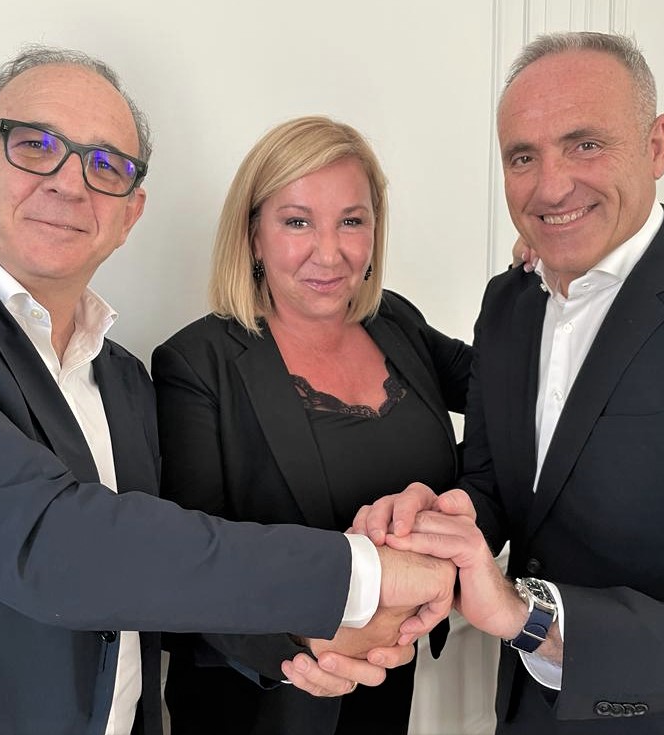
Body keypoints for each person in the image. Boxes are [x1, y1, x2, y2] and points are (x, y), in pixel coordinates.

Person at [0, 47, 458, 735]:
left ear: (131, 213)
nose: (69, 184)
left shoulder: (123, 379)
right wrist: (359, 575)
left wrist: (300, 639)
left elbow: (159, 581)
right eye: (35, 145)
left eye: (105, 165)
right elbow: (54, 541)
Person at [355, 31, 664, 734]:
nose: (550, 186)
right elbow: (496, 482)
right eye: (523, 157)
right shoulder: (508, 304)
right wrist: (447, 518)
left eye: (585, 144)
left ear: (656, 146)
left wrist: (525, 615)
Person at [151, 115, 473, 735]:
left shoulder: (396, 323)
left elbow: (511, 390)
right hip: (264, 698)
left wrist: (539, 281)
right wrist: (300, 649)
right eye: (297, 222)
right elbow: (189, 561)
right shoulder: (196, 363)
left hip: (388, 679)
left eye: (351, 221)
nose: (329, 253)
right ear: (253, 237)